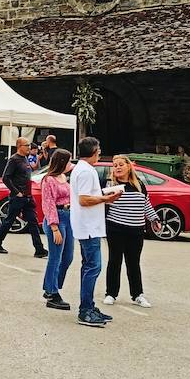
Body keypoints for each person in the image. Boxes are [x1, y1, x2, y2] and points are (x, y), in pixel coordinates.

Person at [70, 137, 120, 327]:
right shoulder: (85, 171)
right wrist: (106, 199)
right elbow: (84, 199)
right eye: (98, 149)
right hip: (88, 226)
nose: (100, 152)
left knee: (88, 266)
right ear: (92, 151)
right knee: (93, 267)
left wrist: (103, 197)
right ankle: (85, 310)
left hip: (88, 225)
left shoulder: (83, 169)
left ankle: (88, 305)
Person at [103, 155, 158, 308]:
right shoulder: (110, 184)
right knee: (115, 261)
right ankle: (111, 293)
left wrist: (154, 219)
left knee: (133, 263)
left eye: (121, 164)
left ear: (128, 167)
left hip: (136, 230)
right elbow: (103, 203)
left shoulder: (139, 184)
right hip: (116, 228)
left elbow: (146, 204)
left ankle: (138, 294)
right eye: (115, 165)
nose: (118, 167)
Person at [0, 138, 46, 256]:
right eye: (27, 145)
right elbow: (6, 178)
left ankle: (39, 249)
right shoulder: (14, 160)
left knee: (33, 222)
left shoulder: (25, 159)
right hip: (18, 197)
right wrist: (16, 192)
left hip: (28, 196)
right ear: (19, 146)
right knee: (9, 220)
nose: (29, 148)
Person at [40, 148, 74, 310]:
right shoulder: (49, 180)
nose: (71, 164)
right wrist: (54, 227)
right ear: (61, 162)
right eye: (68, 161)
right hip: (57, 219)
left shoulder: (64, 177)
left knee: (68, 257)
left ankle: (51, 285)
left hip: (68, 216)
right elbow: (48, 203)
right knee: (56, 257)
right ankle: (52, 292)